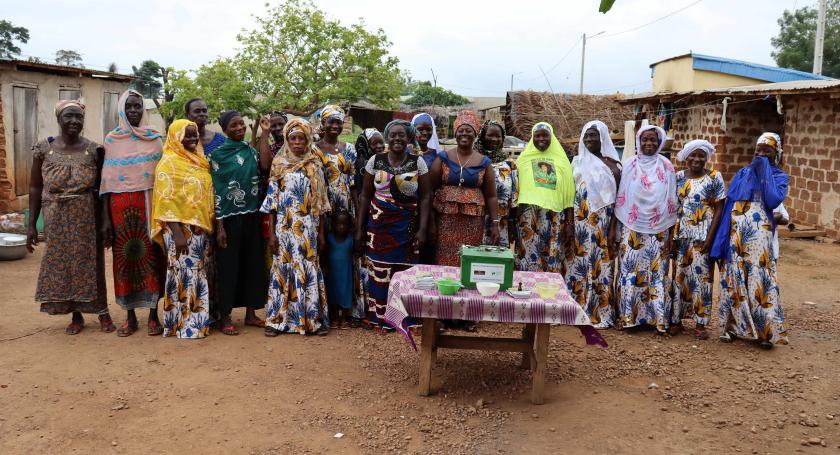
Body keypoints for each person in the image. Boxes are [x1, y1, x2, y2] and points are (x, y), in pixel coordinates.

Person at [26, 100, 116, 334]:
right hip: (56, 216)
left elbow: (103, 188)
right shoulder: (43, 149)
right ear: (59, 119)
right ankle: (76, 316)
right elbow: (35, 187)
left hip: (87, 214)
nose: (74, 121)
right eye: (69, 116)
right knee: (64, 265)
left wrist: (106, 221)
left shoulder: (94, 150)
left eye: (78, 117)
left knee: (91, 263)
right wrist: (32, 225)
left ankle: (102, 312)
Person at [711, 133, 789, 349]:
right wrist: (721, 239)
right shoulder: (742, 173)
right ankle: (731, 328)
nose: (761, 153)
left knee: (760, 281)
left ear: (776, 153)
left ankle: (766, 333)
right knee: (734, 281)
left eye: (767, 150)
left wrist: (763, 169)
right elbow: (729, 206)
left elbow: (773, 200)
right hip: (735, 236)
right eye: (759, 149)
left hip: (760, 239)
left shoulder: (779, 177)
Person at [100, 90, 166, 336]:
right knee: (124, 260)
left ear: (144, 109)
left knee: (153, 257)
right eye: (129, 107)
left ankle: (152, 315)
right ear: (121, 110)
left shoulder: (154, 138)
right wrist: (106, 219)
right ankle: (129, 316)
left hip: (150, 205)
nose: (134, 112)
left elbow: (163, 177)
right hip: (121, 210)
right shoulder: (112, 140)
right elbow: (105, 183)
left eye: (138, 107)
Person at [356, 120, 430, 332]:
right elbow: (365, 195)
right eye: (393, 135)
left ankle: (404, 319)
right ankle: (380, 317)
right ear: (387, 138)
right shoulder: (375, 160)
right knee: (379, 269)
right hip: (378, 226)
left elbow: (425, 197)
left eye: (402, 135)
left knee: (404, 273)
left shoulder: (418, 162)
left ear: (409, 138)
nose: (397, 139)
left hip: (407, 226)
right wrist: (359, 228)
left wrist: (422, 229)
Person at [262, 118, 331, 336]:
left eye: (302, 137)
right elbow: (272, 203)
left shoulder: (315, 163)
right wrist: (272, 234)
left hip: (309, 228)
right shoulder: (278, 163)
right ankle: (277, 320)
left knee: (308, 270)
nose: (298, 142)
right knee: (283, 270)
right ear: (287, 139)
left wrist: (321, 234)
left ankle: (312, 320)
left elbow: (321, 203)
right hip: (284, 228)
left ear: (308, 138)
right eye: (293, 138)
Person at [150, 119, 215, 339]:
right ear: (175, 137)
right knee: (181, 274)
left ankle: (194, 323)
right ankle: (182, 325)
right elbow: (164, 201)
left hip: (198, 229)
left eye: (194, 135)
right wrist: (178, 234)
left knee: (196, 273)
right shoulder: (167, 163)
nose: (191, 139)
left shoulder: (199, 160)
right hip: (178, 231)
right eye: (186, 135)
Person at [207, 111, 269, 335]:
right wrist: (220, 227)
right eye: (234, 125)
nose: (239, 128)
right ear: (225, 130)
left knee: (253, 264)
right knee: (228, 268)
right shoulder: (217, 156)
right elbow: (216, 192)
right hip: (228, 219)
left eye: (241, 124)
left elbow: (264, 166)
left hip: (251, 215)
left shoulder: (250, 151)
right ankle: (225, 317)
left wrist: (265, 133)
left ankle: (251, 314)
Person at [613, 125, 678, 335]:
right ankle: (629, 318)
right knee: (629, 271)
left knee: (656, 272)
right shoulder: (630, 165)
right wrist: (616, 228)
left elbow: (672, 201)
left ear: (659, 143)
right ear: (639, 141)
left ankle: (656, 319)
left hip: (659, 229)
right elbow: (621, 198)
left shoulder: (667, 167)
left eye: (653, 140)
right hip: (632, 228)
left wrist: (671, 234)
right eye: (645, 140)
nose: (649, 144)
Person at [566, 120, 622, 328]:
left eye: (594, 135)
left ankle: (601, 312)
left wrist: (614, 227)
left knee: (602, 266)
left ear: (603, 138)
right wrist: (569, 222)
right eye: (586, 135)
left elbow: (620, 201)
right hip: (580, 222)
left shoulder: (615, 166)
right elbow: (569, 195)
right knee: (577, 265)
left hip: (603, 225)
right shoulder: (576, 163)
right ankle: (576, 310)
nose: (590, 139)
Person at [671, 139, 726, 339]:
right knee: (679, 278)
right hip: (681, 235)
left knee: (703, 280)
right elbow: (673, 207)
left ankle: (700, 324)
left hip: (703, 236)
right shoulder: (677, 177)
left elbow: (719, 208)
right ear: (686, 157)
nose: (696, 159)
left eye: (701, 155)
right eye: (692, 155)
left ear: (706, 158)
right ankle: (676, 320)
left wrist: (710, 239)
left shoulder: (714, 177)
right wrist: (672, 237)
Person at [430, 110, 499, 266]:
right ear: (455, 133)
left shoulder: (484, 162)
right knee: (444, 258)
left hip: (473, 221)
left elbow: (491, 196)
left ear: (475, 134)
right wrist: (431, 222)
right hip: (445, 219)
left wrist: (495, 223)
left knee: (468, 259)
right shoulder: (443, 158)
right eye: (461, 130)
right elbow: (430, 191)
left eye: (469, 131)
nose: (464, 134)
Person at [515, 122, 575, 273]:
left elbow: (569, 194)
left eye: (545, 135)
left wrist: (569, 222)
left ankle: (548, 293)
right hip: (528, 218)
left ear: (552, 137)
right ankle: (526, 291)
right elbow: (515, 189)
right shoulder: (523, 159)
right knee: (528, 257)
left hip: (553, 218)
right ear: (532, 138)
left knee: (550, 256)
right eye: (537, 135)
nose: (541, 138)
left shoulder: (562, 161)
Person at [351, 128, 385, 323]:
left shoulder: (385, 162)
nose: (379, 146)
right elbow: (359, 193)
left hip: (379, 217)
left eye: (381, 142)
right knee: (362, 263)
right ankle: (361, 310)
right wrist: (361, 222)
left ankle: (373, 308)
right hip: (365, 216)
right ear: (365, 144)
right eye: (374, 143)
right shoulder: (362, 164)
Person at [476, 120, 518, 248]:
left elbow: (514, 198)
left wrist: (512, 224)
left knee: (497, 263)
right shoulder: (474, 160)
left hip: (501, 223)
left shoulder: (509, 164)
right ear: (482, 136)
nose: (494, 139)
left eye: (498, 136)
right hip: (476, 220)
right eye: (490, 135)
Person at [325, 210, 354, 329]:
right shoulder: (329, 238)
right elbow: (325, 254)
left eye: (345, 224)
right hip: (333, 274)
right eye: (338, 224)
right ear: (333, 225)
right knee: (333, 295)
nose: (341, 227)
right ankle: (335, 318)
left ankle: (344, 319)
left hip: (346, 274)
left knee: (345, 295)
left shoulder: (351, 239)